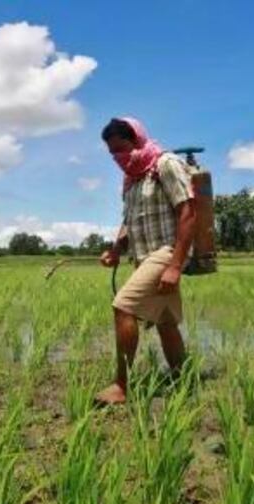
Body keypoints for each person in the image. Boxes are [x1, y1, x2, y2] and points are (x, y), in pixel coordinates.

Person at [95, 117, 196, 405]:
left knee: (123, 307)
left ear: (137, 140)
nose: (118, 156)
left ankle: (121, 386)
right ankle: (182, 376)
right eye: (112, 153)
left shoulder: (165, 164)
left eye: (122, 148)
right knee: (165, 322)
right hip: (143, 256)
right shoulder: (131, 179)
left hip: (166, 251)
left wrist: (175, 265)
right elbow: (128, 221)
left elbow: (188, 213)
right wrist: (115, 250)